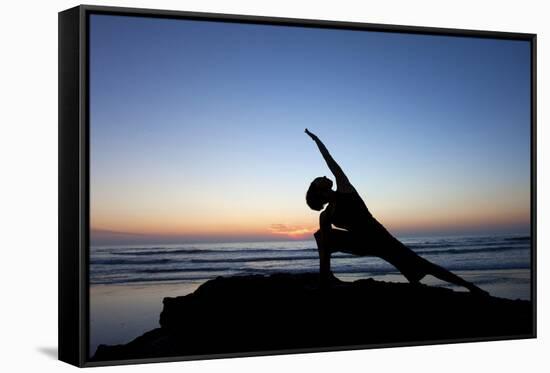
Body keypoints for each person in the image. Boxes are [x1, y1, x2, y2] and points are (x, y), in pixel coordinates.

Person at [304, 128, 489, 296]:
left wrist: (316, 140)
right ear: (320, 192)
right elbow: (330, 160)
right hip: (364, 242)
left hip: (380, 240)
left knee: (423, 266)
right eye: (319, 179)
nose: (324, 176)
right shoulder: (339, 196)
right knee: (322, 235)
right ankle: (326, 279)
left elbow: (330, 163)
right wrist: (317, 141)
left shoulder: (340, 197)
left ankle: (470, 286)